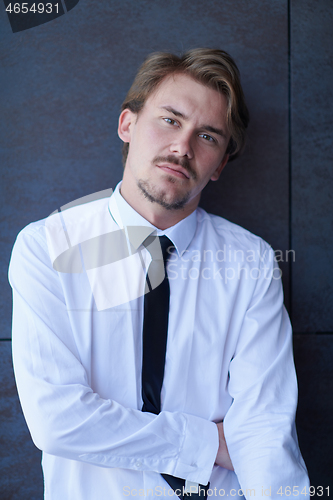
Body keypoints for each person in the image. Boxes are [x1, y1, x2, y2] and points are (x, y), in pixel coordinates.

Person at [9, 48, 309, 499]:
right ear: (127, 125)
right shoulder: (48, 248)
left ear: (221, 164)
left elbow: (265, 431)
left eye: (208, 137)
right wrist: (207, 442)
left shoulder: (251, 263)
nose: (182, 147)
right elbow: (59, 421)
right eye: (170, 120)